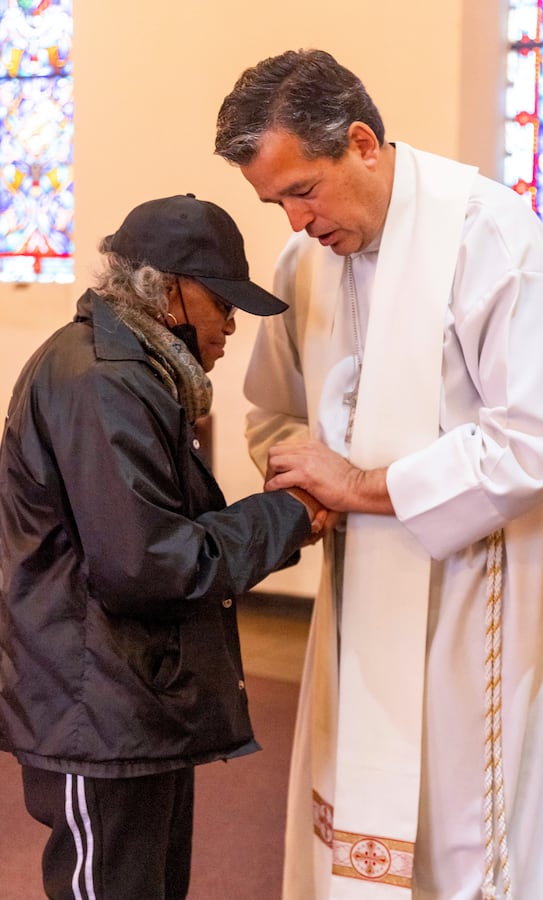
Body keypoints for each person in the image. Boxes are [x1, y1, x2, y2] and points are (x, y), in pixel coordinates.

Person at [215, 50, 543, 900]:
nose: (294, 222)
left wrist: (361, 486)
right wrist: (312, 478)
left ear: (361, 142)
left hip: (482, 587)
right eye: (275, 201)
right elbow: (273, 418)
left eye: (302, 190)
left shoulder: (490, 238)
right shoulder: (304, 266)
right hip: (367, 591)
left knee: (470, 826)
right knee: (365, 815)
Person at [0, 192, 327, 900]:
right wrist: (288, 515)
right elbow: (145, 565)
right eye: (224, 304)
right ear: (171, 293)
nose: (232, 326)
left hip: (128, 706)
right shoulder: (104, 381)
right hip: (95, 711)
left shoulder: (134, 371)